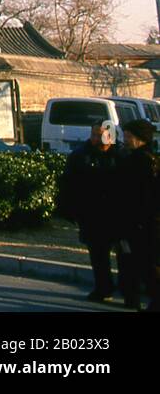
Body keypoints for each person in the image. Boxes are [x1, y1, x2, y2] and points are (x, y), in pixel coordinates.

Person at [61, 120, 123, 301]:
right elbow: (68, 184)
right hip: (91, 214)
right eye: (94, 134)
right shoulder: (80, 156)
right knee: (98, 254)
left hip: (117, 214)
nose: (97, 138)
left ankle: (129, 290)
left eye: (101, 134)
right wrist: (72, 211)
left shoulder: (121, 155)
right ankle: (103, 288)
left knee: (125, 255)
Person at [117, 118, 158, 311]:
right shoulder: (138, 158)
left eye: (129, 136)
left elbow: (137, 196)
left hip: (140, 223)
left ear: (140, 139)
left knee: (144, 264)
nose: (125, 139)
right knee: (135, 262)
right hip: (139, 221)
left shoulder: (141, 162)